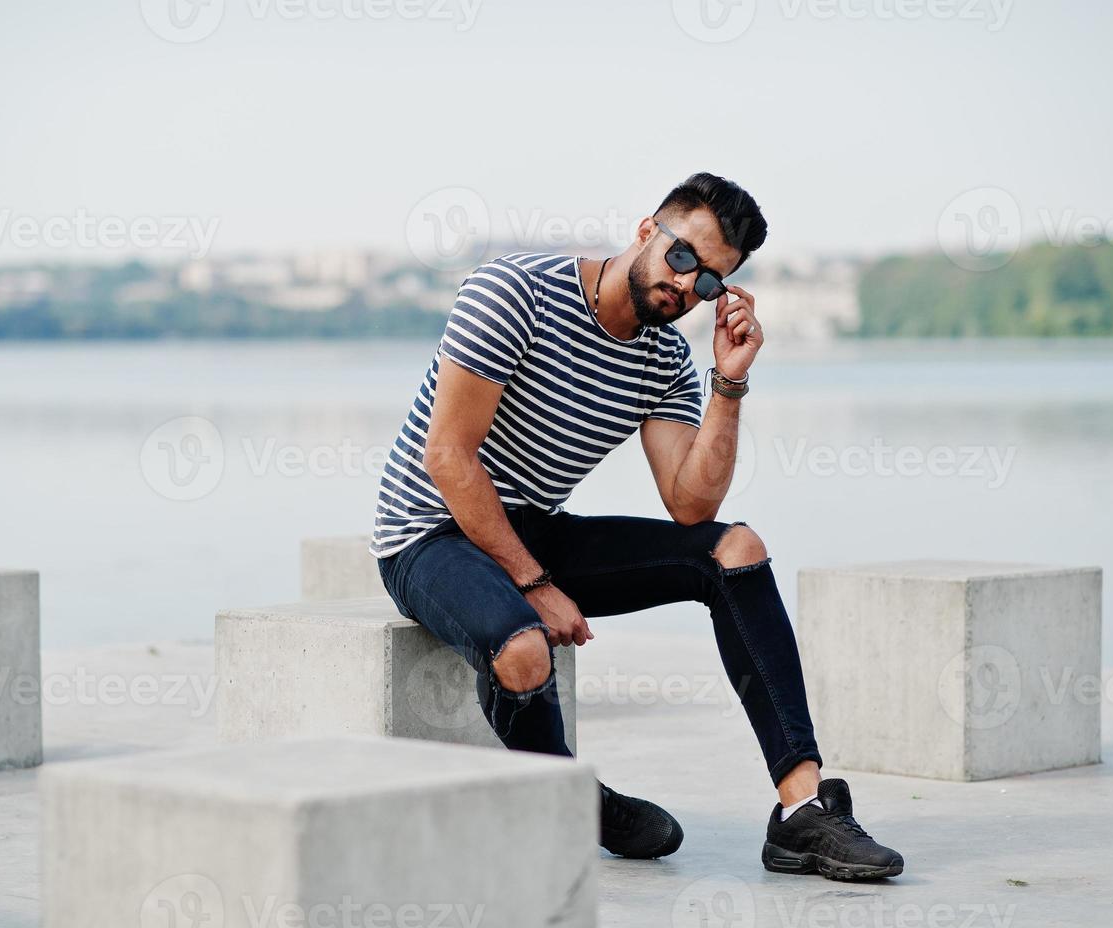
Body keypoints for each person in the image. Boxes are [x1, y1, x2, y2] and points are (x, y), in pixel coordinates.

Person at [369, 173, 903, 880]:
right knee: (524, 652)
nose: (688, 288)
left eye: (711, 282)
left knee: (735, 550)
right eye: (684, 259)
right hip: (429, 530)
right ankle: (574, 799)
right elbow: (446, 455)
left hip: (533, 526)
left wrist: (729, 383)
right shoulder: (513, 292)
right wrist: (532, 583)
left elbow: (690, 506)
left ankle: (801, 812)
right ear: (646, 232)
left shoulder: (662, 359)